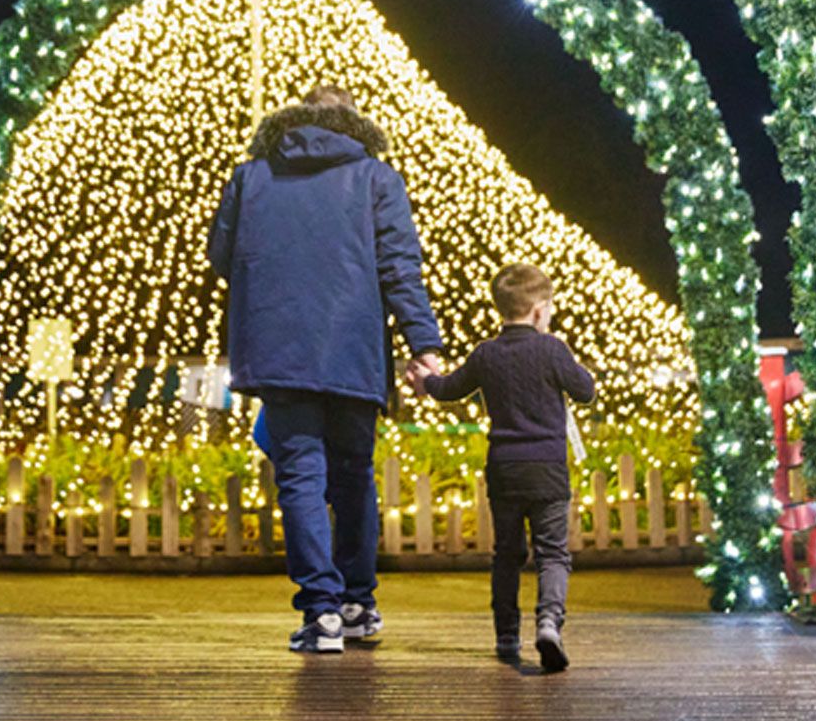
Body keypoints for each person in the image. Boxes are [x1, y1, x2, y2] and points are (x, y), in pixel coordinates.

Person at [208, 85, 445, 654]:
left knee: (301, 478)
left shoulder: (251, 176)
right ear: (352, 124)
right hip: (353, 349)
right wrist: (424, 343)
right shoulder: (376, 179)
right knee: (354, 475)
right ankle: (358, 602)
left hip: (279, 347)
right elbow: (399, 267)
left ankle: (321, 613)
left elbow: (221, 257)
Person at [413, 261, 595, 672]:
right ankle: (549, 622)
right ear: (538, 310)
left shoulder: (485, 354)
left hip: (505, 470)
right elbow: (585, 391)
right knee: (552, 554)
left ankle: (506, 633)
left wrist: (425, 379)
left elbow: (447, 390)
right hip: (547, 469)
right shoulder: (552, 349)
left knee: (507, 554)